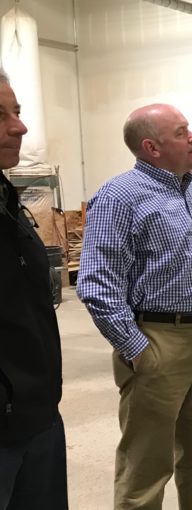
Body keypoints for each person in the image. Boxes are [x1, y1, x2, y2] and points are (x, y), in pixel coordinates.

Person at [77, 104, 192, 510]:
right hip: (158, 339)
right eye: (182, 132)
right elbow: (96, 282)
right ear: (152, 147)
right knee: (146, 466)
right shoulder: (119, 196)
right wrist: (137, 348)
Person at [0, 72, 68, 510]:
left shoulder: (8, 199)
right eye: (0, 115)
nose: (20, 127)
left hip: (37, 413)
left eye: (18, 112)